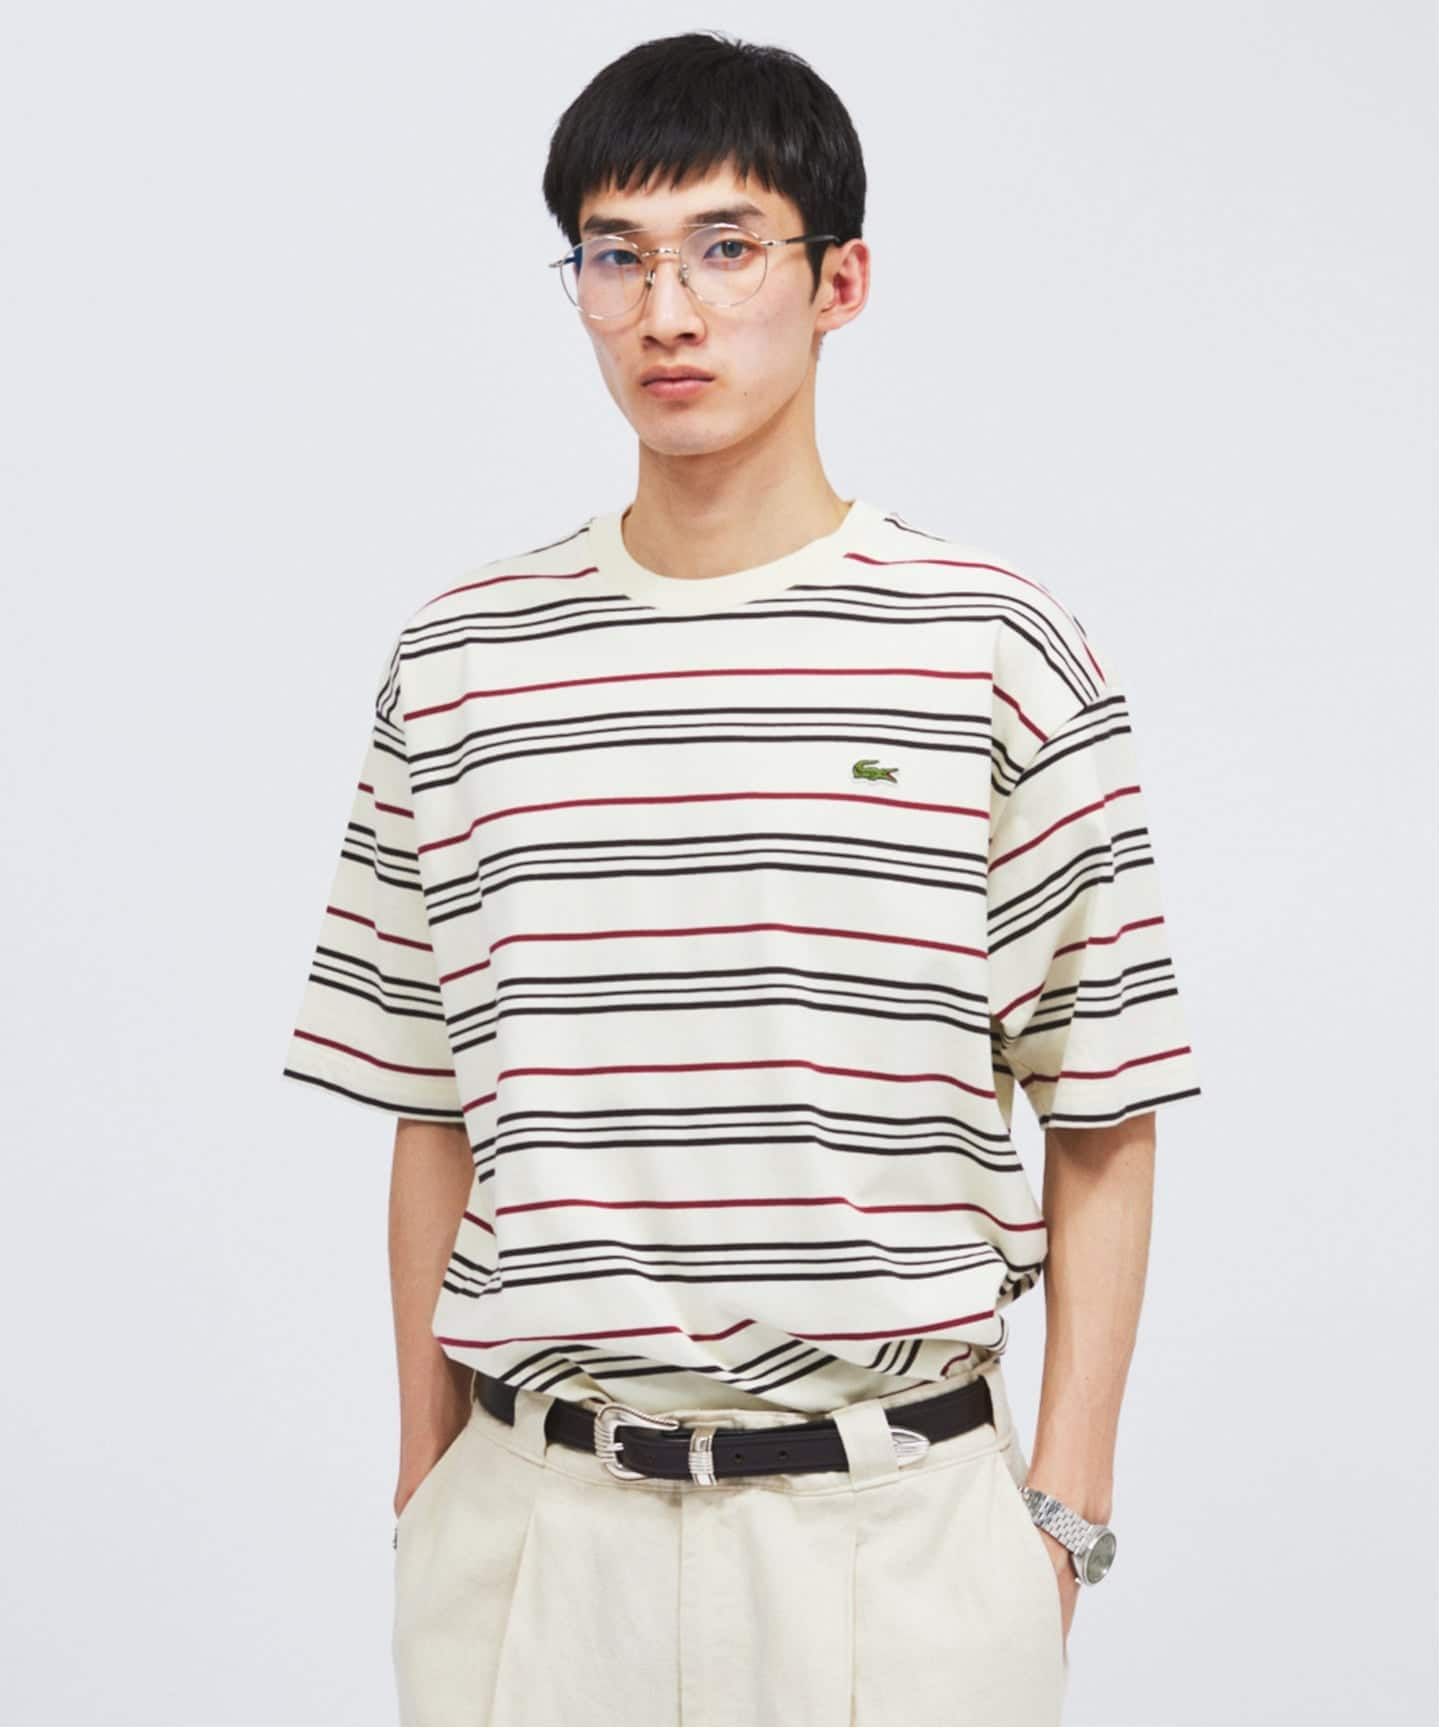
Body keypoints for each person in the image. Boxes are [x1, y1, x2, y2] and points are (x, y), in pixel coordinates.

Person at [280, 28, 1202, 1727]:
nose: (668, 312)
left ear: (840, 280)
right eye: (614, 257)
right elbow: (431, 1108)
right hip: (536, 1539)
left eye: (726, 247)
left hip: (896, 1544)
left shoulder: (997, 651)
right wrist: (430, 1484)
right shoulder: (463, 662)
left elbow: (1104, 1104)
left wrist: (1063, 1514)